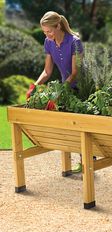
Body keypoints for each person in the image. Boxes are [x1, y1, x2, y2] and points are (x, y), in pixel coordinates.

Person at [26, 11, 84, 173]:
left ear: (58, 26)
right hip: (64, 87)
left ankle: (86, 160)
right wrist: (34, 86)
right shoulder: (48, 42)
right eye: (45, 32)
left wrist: (58, 93)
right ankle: (79, 159)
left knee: (80, 126)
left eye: (49, 31)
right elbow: (47, 71)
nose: (47, 35)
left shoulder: (75, 42)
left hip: (82, 87)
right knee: (66, 126)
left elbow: (75, 73)